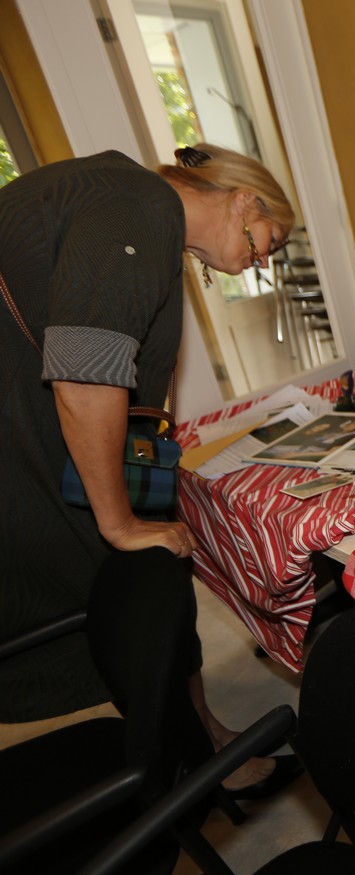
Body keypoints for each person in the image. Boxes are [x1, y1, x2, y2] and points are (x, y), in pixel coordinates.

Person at [0, 143, 299, 797]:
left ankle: (204, 742)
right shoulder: (139, 207)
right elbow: (87, 374)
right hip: (20, 461)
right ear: (244, 200)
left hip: (37, 441)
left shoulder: (133, 202)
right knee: (129, 595)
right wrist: (119, 522)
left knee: (158, 581)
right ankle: (186, 768)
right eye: (268, 241)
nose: (262, 261)